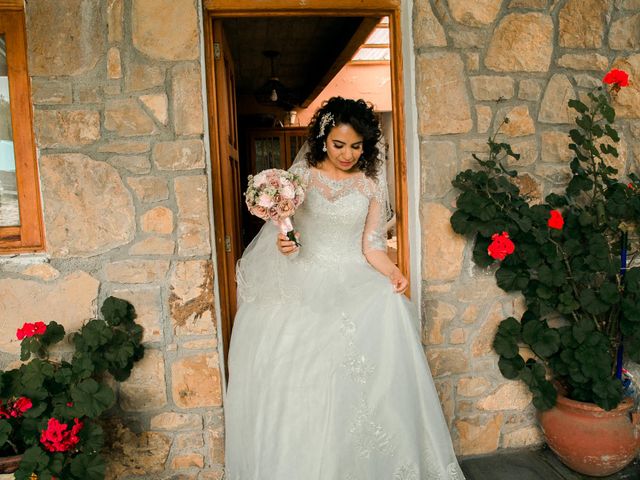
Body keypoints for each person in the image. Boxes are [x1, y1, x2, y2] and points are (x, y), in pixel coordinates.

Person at [225, 97, 465, 480]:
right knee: (306, 369)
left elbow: (371, 245)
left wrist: (393, 271)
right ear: (323, 139)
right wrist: (285, 243)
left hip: (353, 274)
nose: (348, 154)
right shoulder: (300, 178)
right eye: (340, 145)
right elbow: (284, 234)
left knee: (384, 313)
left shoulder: (370, 185)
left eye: (357, 146)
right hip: (304, 276)